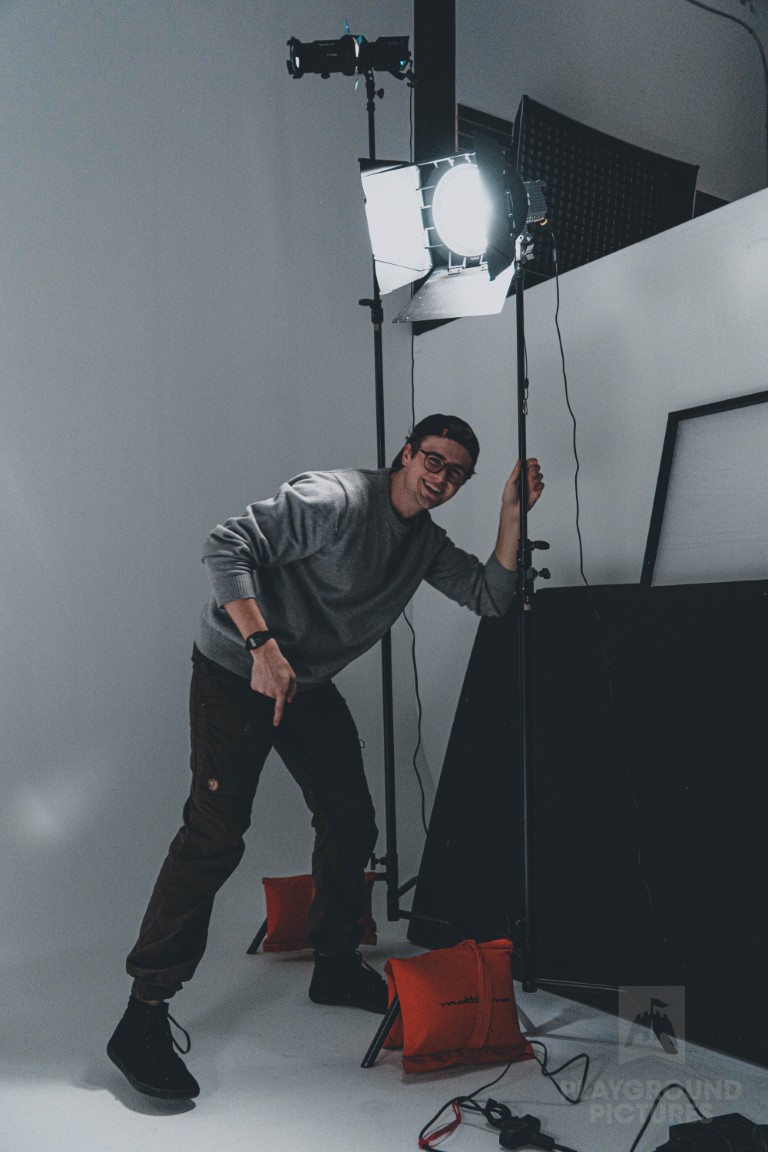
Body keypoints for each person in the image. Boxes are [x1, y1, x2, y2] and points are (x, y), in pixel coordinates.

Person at [107, 413, 544, 1100]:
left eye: (457, 472)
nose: (441, 478)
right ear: (406, 453)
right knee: (215, 835)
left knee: (352, 818)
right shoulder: (335, 499)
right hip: (235, 668)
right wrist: (262, 647)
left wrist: (511, 516)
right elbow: (225, 545)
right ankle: (144, 1013)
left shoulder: (424, 545)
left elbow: (490, 597)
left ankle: (335, 962)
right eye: (433, 460)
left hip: (304, 682)